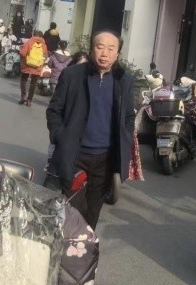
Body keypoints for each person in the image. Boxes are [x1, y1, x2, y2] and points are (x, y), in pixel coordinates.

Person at [46, 30, 136, 228]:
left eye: (111, 49)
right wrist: (61, 137)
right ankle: (68, 243)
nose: (105, 53)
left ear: (117, 54)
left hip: (105, 158)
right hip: (75, 154)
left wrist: (125, 137)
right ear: (92, 49)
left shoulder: (124, 80)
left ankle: (85, 245)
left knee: (93, 212)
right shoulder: (72, 75)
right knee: (73, 209)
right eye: (100, 47)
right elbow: (54, 110)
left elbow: (129, 116)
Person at [18, 30, 49, 106]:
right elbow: (45, 56)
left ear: (33, 35)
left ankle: (23, 96)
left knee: (24, 80)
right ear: (41, 36)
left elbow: (23, 53)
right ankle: (29, 100)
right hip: (37, 67)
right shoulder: (44, 45)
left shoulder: (29, 42)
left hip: (27, 65)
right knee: (33, 83)